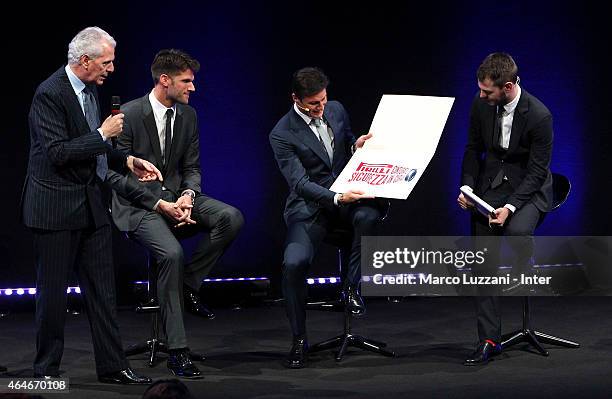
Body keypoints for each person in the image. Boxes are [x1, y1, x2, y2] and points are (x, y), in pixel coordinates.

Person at [21, 26, 157, 384]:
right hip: (53, 207)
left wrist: (126, 161)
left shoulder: (90, 90)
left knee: (102, 292)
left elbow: (93, 148)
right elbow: (58, 152)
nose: (111, 69)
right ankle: (45, 371)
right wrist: (102, 135)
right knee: (52, 296)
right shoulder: (49, 94)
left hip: (90, 205)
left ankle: (113, 367)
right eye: (106, 62)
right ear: (85, 61)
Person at [108, 49, 244, 378]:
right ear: (164, 80)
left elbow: (192, 168)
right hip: (139, 205)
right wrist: (159, 204)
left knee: (231, 217)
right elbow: (114, 175)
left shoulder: (189, 115)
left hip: (176, 198)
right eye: (187, 81)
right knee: (171, 253)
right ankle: (178, 351)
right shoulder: (127, 115)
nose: (192, 88)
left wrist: (186, 195)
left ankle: (187, 286)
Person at [269, 67, 382, 368]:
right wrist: (334, 197)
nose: (321, 108)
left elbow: (344, 142)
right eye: (313, 104)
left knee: (370, 214)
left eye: (323, 100)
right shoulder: (282, 133)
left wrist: (355, 146)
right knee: (294, 263)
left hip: (345, 199)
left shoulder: (336, 109)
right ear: (296, 99)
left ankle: (350, 288)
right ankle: (299, 339)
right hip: (310, 206)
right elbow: (300, 183)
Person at [458, 52, 554, 365]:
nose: (481, 95)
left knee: (515, 231)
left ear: (509, 86)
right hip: (491, 186)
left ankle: (524, 271)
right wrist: (469, 189)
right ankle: (489, 339)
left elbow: (538, 170)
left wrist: (511, 206)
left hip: (528, 187)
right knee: (482, 260)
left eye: (488, 91)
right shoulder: (479, 104)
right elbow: (473, 150)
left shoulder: (539, 115)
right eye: (480, 90)